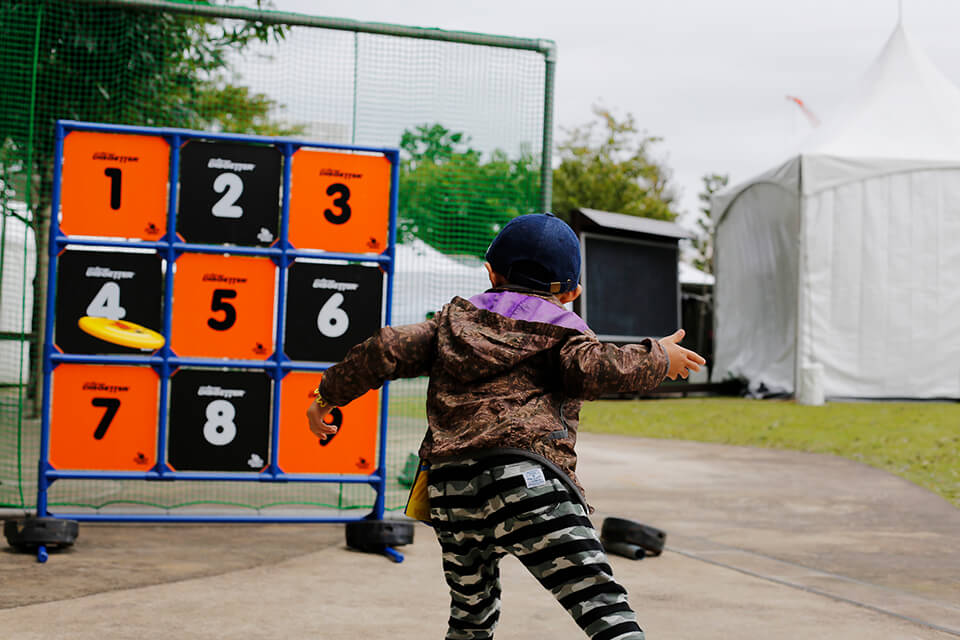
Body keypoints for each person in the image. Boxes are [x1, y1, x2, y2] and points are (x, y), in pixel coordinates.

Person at [307, 213, 705, 640]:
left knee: (470, 614)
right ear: (572, 292)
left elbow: (386, 347)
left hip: (451, 488)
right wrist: (658, 357)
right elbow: (594, 368)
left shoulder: (450, 326)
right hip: (528, 481)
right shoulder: (564, 332)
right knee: (600, 603)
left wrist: (325, 397)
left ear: (491, 272)